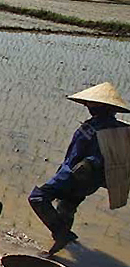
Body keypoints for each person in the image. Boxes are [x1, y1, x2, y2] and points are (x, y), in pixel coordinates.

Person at [29, 82, 130, 256]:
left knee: (37, 197)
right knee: (67, 207)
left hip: (73, 176)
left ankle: (62, 234)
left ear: (101, 106)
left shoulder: (95, 129)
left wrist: (83, 167)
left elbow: (84, 157)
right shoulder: (118, 130)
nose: (88, 106)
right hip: (90, 182)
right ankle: (57, 247)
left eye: (91, 104)